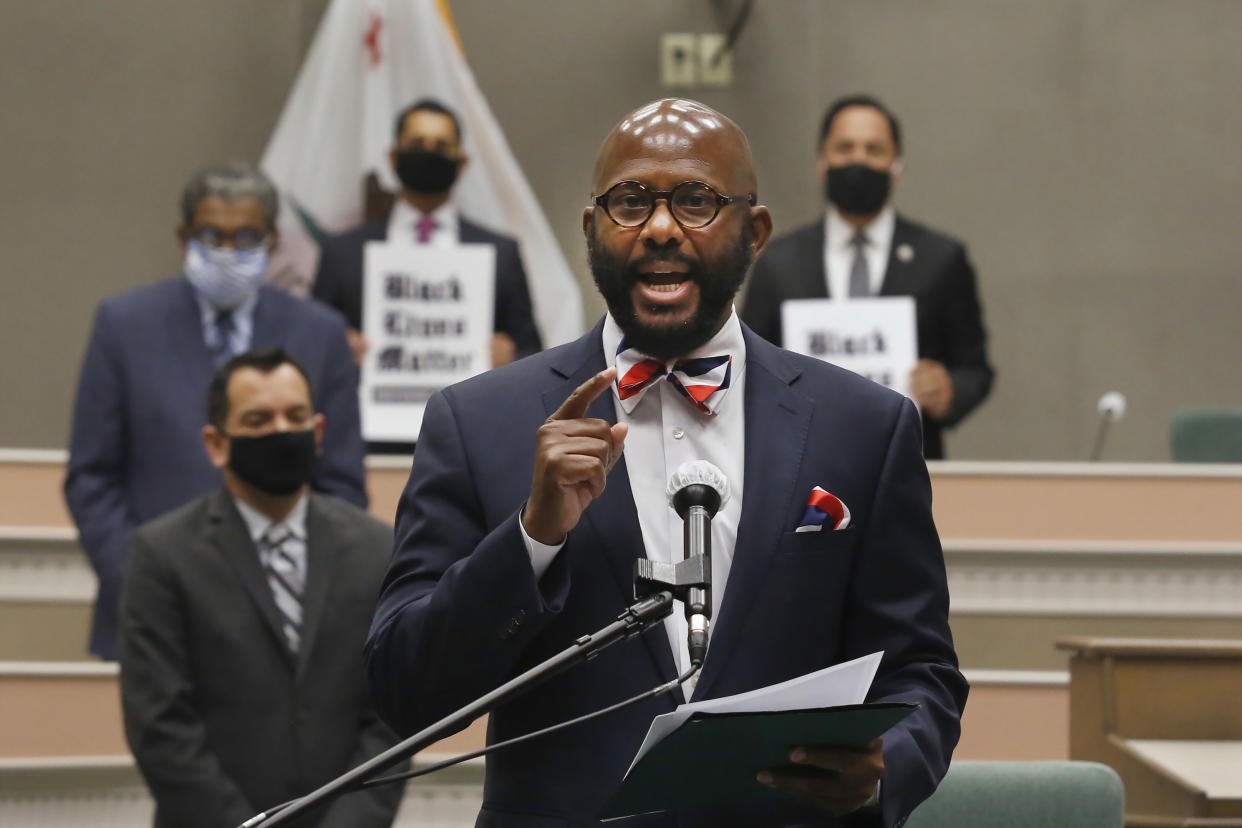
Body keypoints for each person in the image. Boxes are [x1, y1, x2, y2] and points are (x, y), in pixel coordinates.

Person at [366, 98, 966, 827]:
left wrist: (881, 770)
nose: (658, 227)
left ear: (755, 231)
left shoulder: (864, 428)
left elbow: (923, 671)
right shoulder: (478, 423)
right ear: (591, 229)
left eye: (695, 200)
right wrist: (533, 539)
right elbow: (405, 691)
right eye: (629, 202)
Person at [64, 161, 367, 661]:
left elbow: (342, 482)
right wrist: (140, 579)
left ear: (271, 240)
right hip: (152, 614)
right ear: (184, 236)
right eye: (212, 235)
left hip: (292, 614)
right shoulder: (123, 325)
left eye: (246, 235)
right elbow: (91, 478)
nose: (228, 251)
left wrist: (302, 586)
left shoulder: (321, 333)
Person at [119, 348, 404, 828]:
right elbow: (161, 726)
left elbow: (391, 714)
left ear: (316, 432)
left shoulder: (376, 547)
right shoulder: (162, 554)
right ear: (216, 442)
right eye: (257, 420)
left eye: (294, 416)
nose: (279, 431)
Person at [741, 94, 994, 459]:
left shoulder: (941, 258)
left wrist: (949, 390)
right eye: (845, 148)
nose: (859, 159)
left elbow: (975, 369)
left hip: (907, 459)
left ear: (897, 166)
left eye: (874, 149)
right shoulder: (778, 261)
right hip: (800, 460)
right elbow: (750, 364)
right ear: (821, 162)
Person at [312, 97, 543, 370]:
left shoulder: (501, 253)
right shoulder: (343, 253)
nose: (429, 153)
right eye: (417, 144)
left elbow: (533, 349)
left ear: (462, 162)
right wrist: (336, 344)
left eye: (442, 146)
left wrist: (511, 357)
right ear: (394, 158)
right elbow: (310, 341)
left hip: (471, 407)